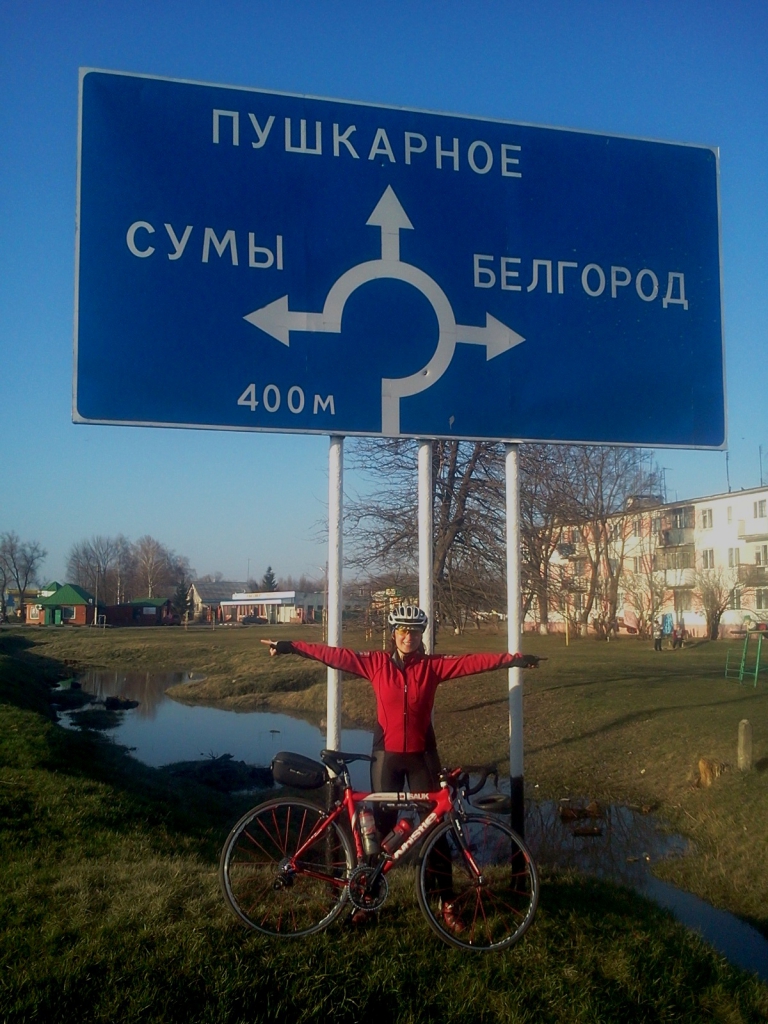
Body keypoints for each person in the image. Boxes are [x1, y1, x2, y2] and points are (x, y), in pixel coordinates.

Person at [262, 604, 540, 932]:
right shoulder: (376, 663)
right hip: (386, 759)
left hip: (423, 757)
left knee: (436, 830)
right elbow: (334, 656)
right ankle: (367, 899)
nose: (409, 636)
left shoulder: (431, 666)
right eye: (404, 630)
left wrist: (513, 659)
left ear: (422, 635)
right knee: (378, 833)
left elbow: (471, 662)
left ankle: (446, 901)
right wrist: (290, 646)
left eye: (416, 631)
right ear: (393, 633)